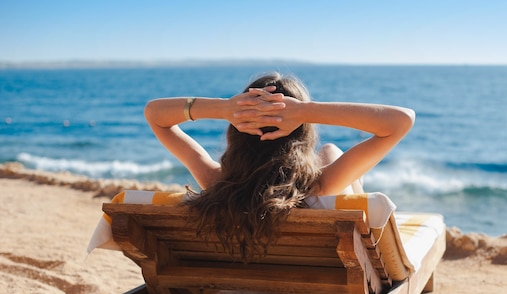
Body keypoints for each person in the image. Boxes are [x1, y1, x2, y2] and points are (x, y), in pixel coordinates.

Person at [144, 72, 415, 259]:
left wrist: (225, 108)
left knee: (330, 152)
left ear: (237, 131)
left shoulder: (215, 181)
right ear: (302, 131)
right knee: (331, 151)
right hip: (322, 276)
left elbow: (155, 114)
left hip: (261, 273)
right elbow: (401, 120)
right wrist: (306, 111)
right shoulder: (322, 186)